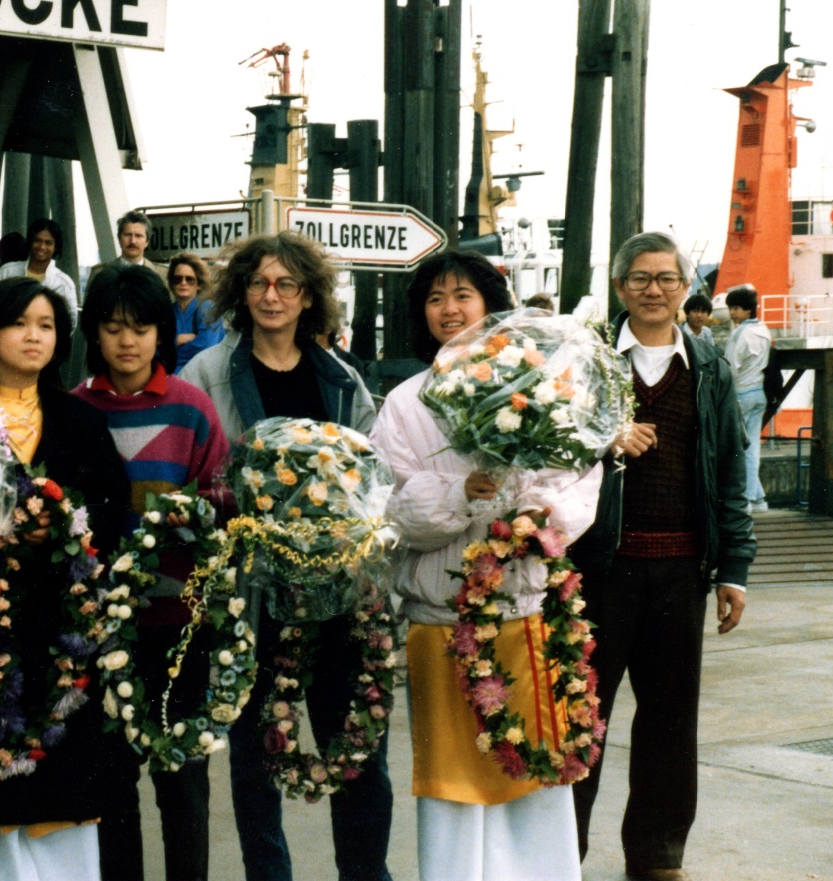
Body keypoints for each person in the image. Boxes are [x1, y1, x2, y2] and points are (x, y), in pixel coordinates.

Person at [370, 251, 602, 881]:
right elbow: (388, 509)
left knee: (532, 775)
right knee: (451, 788)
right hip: (440, 622)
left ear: (491, 305)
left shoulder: (539, 385)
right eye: (436, 297)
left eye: (464, 295)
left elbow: (577, 483)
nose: (450, 309)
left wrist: (533, 510)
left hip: (525, 616)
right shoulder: (404, 402)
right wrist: (458, 494)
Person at [179, 231, 386, 881]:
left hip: (336, 599)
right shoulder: (206, 374)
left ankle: (366, 873)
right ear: (240, 291)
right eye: (260, 283)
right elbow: (187, 481)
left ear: (308, 297)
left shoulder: (340, 377)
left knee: (356, 750)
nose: (272, 296)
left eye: (286, 284)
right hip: (252, 600)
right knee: (257, 760)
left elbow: (372, 481)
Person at [570, 232, 755, 881]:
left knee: (671, 723)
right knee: (579, 716)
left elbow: (732, 470)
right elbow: (549, 458)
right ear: (620, 288)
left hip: (681, 572)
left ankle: (657, 854)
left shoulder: (711, 367)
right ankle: (562, 853)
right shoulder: (586, 363)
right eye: (640, 278)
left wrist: (734, 567)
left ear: (684, 288)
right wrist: (603, 440)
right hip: (598, 571)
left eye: (666, 278)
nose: (654, 289)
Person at [0, 275, 129, 881]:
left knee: (66, 764)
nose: (33, 337)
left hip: (61, 626)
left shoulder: (79, 419)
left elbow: (111, 506)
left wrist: (66, 529)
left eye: (46, 326)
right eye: (20, 323)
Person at [71, 264, 232, 881]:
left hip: (179, 626)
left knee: (183, 783)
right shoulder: (77, 410)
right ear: (95, 334)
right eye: (114, 328)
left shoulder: (192, 409)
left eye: (141, 328)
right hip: (100, 631)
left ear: (162, 333)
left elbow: (221, 498)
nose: (128, 342)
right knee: (112, 786)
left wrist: (193, 511)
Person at [724, 283, 771, 514]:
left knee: (739, 449)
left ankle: (748, 500)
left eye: (736, 308)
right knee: (752, 448)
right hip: (759, 392)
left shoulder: (740, 333)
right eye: (731, 308)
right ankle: (760, 499)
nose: (732, 312)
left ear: (747, 310)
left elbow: (730, 367)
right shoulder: (764, 330)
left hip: (741, 394)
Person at [0, 218, 79, 321]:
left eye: (48, 243)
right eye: (37, 240)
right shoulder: (7, 272)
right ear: (30, 242)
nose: (42, 247)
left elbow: (70, 322)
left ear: (56, 247)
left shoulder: (64, 284)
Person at [166, 252, 223, 374]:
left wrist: (170, 347)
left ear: (199, 284)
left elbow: (205, 346)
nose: (183, 283)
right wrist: (178, 339)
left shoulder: (208, 308)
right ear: (171, 283)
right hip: (171, 375)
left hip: (202, 375)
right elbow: (154, 347)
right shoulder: (167, 311)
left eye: (190, 279)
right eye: (178, 279)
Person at [90, 211, 169, 286]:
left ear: (147, 241)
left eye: (138, 236)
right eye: (127, 235)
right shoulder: (100, 273)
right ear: (119, 238)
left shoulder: (162, 274)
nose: (133, 241)